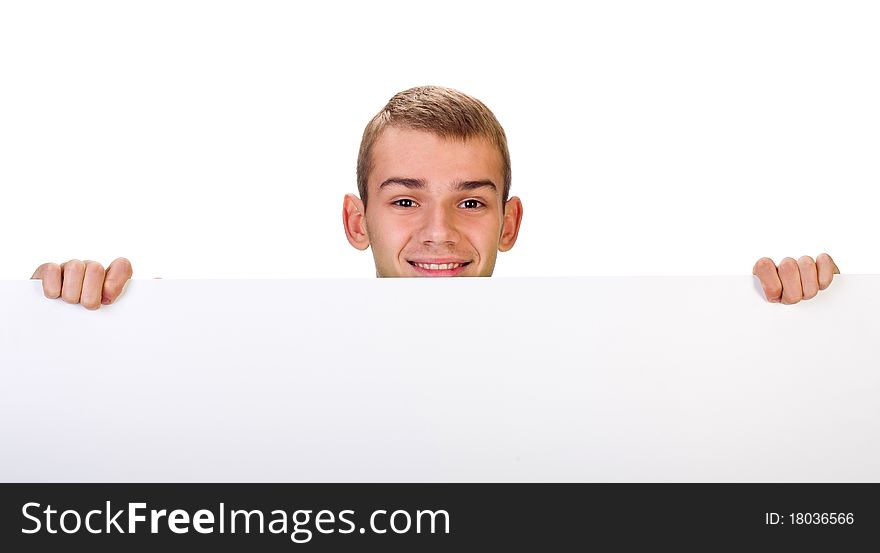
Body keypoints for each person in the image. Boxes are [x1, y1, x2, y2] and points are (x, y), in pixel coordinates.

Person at [29, 86, 839, 307]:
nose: (441, 232)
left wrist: (809, 327)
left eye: (473, 201)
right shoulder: (259, 362)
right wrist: (89, 323)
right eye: (406, 200)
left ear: (511, 221)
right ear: (357, 220)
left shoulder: (597, 367)